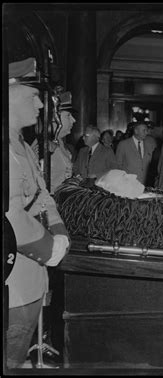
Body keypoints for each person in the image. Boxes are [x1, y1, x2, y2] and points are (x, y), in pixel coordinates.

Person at [6, 57, 70, 368]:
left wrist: (58, 230)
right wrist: (50, 248)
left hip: (30, 279)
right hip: (13, 286)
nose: (41, 105)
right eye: (33, 95)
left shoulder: (20, 145)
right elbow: (11, 218)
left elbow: (43, 195)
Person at [48, 91, 77, 194]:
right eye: (68, 116)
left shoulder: (61, 142)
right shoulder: (44, 144)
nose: (74, 120)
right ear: (55, 118)